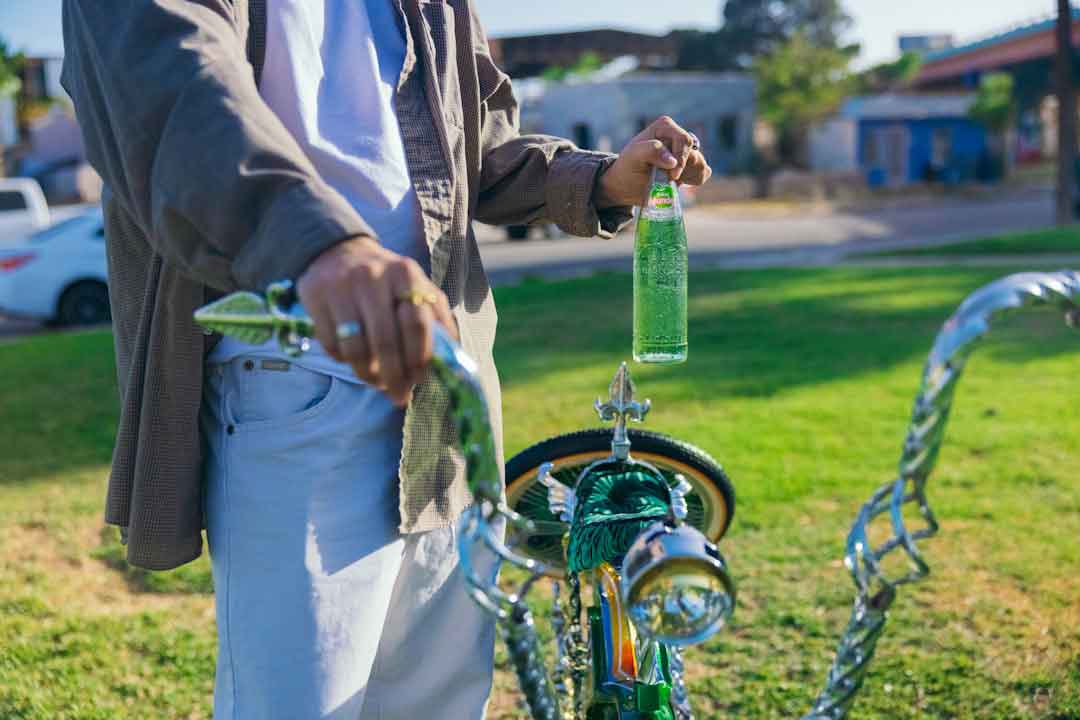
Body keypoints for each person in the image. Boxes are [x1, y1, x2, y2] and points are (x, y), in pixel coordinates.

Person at [60, 0, 712, 718]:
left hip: (448, 389)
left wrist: (600, 179)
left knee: (437, 703)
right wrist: (316, 243)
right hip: (296, 370)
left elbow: (480, 143)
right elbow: (164, 86)